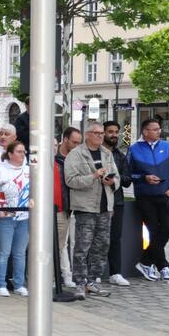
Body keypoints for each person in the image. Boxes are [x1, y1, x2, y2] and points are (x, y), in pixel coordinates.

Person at [65, 121, 119, 298]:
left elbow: (116, 176)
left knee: (101, 246)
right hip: (85, 208)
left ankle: (92, 281)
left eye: (101, 133)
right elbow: (71, 180)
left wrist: (112, 182)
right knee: (82, 247)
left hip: (105, 207)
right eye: (96, 133)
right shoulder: (75, 154)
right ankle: (80, 283)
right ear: (87, 134)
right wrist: (93, 176)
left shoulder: (106, 153)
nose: (100, 136)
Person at [126, 117, 169, 282]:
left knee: (168, 229)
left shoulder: (166, 146)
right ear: (145, 131)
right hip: (145, 196)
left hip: (164, 195)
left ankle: (146, 261)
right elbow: (127, 175)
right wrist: (144, 178)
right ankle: (163, 267)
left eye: (159, 129)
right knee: (154, 231)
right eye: (155, 129)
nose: (159, 131)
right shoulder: (133, 149)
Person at [0, 141, 31, 297]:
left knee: (20, 253)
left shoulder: (29, 170)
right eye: (19, 151)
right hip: (5, 217)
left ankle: (19, 283)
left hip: (24, 217)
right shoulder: (1, 170)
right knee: (3, 251)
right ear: (10, 154)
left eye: (24, 151)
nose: (23, 154)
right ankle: (1, 284)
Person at [103, 121, 132, 286]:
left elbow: (127, 180)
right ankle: (95, 273)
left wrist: (117, 178)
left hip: (117, 201)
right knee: (97, 238)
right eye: (110, 132)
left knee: (115, 238)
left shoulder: (121, 156)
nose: (114, 135)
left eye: (116, 132)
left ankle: (115, 272)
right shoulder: (96, 153)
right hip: (99, 202)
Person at [54, 127, 82, 288]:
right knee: (60, 243)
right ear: (65, 139)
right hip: (61, 205)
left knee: (74, 242)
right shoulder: (54, 157)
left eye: (79, 142)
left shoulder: (78, 157)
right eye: (74, 142)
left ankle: (68, 274)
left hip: (76, 203)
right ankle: (63, 275)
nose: (77, 145)